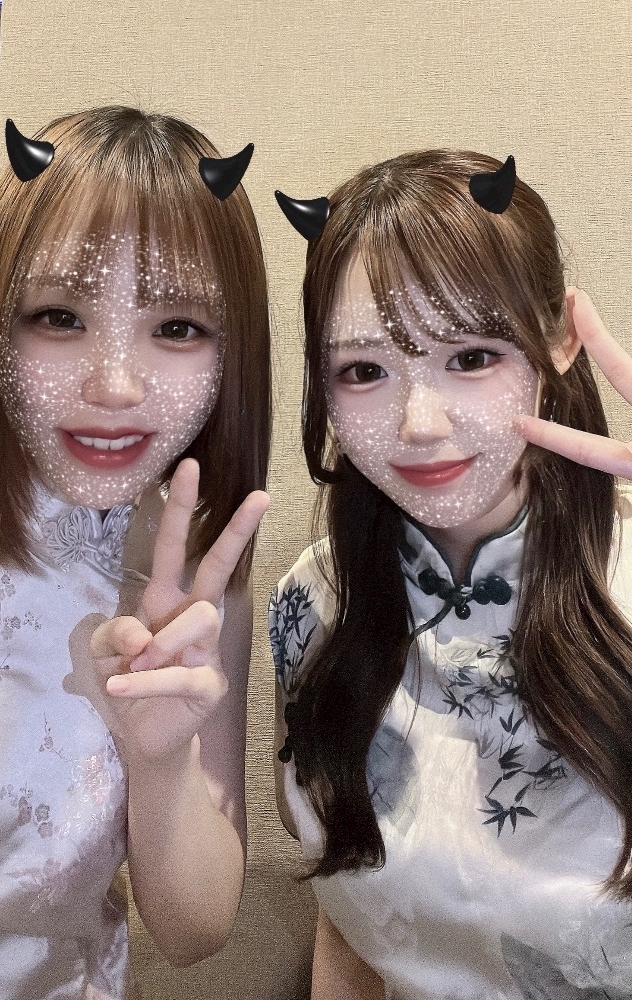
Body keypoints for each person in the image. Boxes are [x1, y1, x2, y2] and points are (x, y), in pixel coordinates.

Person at [0, 106, 270, 999]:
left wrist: (160, 762)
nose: (116, 385)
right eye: (59, 316)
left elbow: (195, 931)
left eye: (177, 327)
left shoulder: (196, 586)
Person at [270, 150, 632, 999]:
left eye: (469, 357)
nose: (419, 423)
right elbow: (348, 916)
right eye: (363, 370)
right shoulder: (311, 605)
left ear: (559, 341)